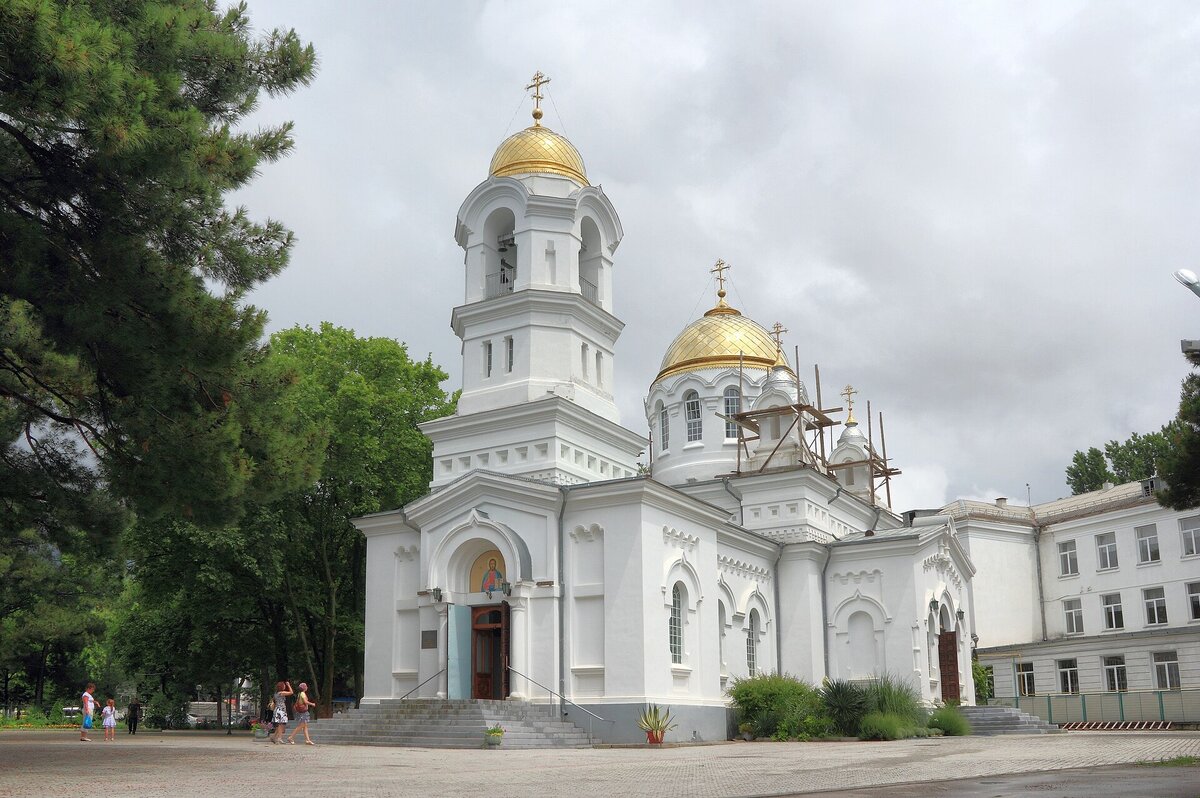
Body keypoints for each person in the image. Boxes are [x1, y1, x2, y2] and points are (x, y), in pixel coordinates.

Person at [270, 680, 292, 744]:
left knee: (280, 724)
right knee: (281, 724)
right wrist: (288, 685)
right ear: (282, 687)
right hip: (281, 710)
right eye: (284, 685)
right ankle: (279, 738)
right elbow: (291, 692)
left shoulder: (276, 693)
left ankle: (274, 737)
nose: (285, 686)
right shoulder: (281, 693)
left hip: (278, 709)